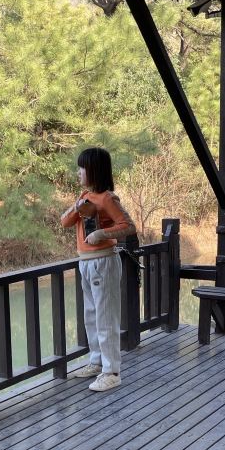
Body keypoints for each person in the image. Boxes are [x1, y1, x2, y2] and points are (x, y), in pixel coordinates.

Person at [61, 147, 136, 392]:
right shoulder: (86, 197)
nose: (78, 172)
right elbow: (64, 222)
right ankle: (96, 362)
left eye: (82, 168)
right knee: (91, 316)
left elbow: (128, 226)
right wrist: (77, 206)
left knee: (105, 317)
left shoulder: (107, 198)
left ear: (94, 170)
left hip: (103, 262)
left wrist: (101, 234)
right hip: (85, 262)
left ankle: (111, 372)